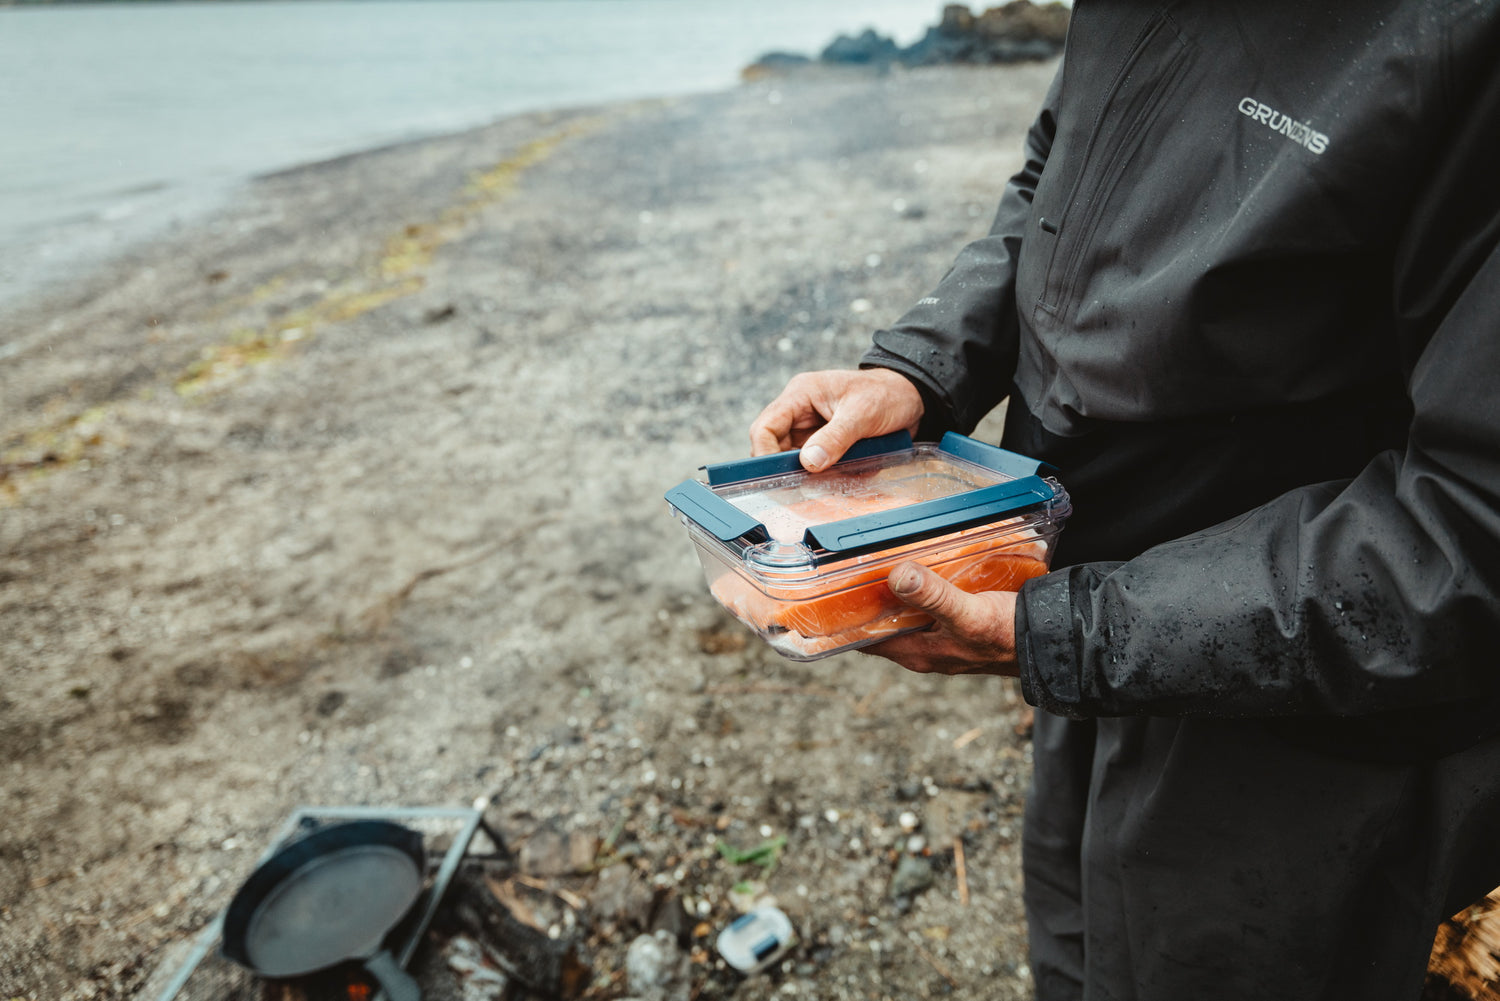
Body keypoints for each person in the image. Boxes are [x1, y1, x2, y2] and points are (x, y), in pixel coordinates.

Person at [749, 4, 1500, 999]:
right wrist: (922, 368)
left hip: (1300, 722)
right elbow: (1054, 178)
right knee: (1073, 955)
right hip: (1085, 628)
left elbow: (1470, 527)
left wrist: (1079, 634)